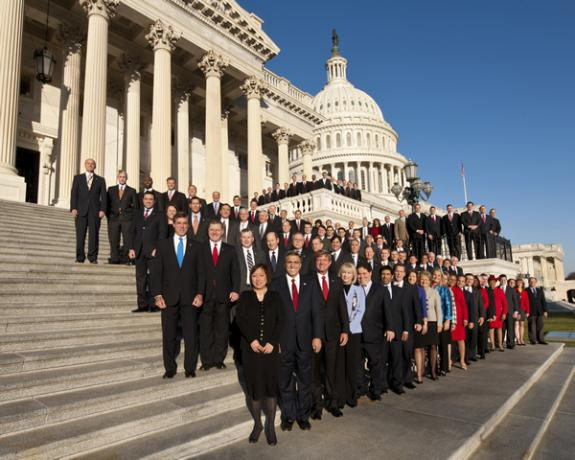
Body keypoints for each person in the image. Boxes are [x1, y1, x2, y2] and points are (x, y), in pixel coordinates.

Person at [271, 251, 323, 431]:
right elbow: (273, 316)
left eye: (296, 262)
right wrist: (273, 339)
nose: (292, 265)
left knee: (304, 380)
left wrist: (317, 336)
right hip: (283, 341)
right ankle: (288, 416)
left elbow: (316, 313)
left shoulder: (311, 284)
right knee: (284, 381)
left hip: (305, 340)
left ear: (301, 265)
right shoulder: (276, 284)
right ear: (285, 264)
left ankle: (303, 416)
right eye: (289, 262)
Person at [150, 213, 204, 379]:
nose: (182, 226)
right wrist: (157, 295)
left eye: (185, 223)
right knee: (168, 335)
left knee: (191, 336)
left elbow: (201, 273)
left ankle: (189, 368)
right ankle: (170, 368)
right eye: (179, 223)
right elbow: (156, 272)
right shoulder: (163, 245)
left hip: (190, 298)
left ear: (188, 226)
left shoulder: (197, 246)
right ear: (173, 224)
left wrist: (200, 294)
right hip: (168, 298)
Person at [235, 264, 281, 445]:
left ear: (267, 277)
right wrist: (252, 340)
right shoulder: (245, 296)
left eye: (261, 275)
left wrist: (272, 343)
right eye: (254, 276)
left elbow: (280, 321)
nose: (257, 279)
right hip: (250, 350)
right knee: (254, 390)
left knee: (270, 389)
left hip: (270, 350)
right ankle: (257, 425)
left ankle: (270, 425)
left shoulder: (275, 297)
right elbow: (240, 319)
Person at [311, 251, 349, 419]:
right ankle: (317, 406)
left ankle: (332, 403)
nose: (321, 262)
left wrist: (345, 330)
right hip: (315, 334)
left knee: (331, 370)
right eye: (319, 260)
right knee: (315, 372)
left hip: (333, 333)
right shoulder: (308, 279)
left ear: (330, 262)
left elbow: (342, 307)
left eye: (325, 260)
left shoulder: (336, 280)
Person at [200, 221, 240, 370]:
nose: (215, 232)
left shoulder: (230, 249)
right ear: (208, 231)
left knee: (221, 329)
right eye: (212, 229)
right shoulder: (201, 248)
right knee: (205, 329)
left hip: (224, 296)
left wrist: (235, 290)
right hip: (205, 295)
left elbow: (235, 272)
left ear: (222, 231)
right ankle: (206, 360)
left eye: (218, 230)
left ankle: (219, 359)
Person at [357, 263, 395, 400]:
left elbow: (388, 310)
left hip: (374, 333)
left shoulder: (380, 289)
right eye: (359, 274)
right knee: (357, 363)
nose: (361, 276)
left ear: (370, 273)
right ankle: (360, 388)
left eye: (364, 273)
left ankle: (376, 389)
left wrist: (390, 328)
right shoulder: (354, 288)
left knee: (375, 363)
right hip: (356, 334)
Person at [129, 191, 168, 313]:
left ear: (154, 201)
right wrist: (131, 248)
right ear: (143, 200)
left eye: (151, 199)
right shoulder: (137, 213)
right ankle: (142, 304)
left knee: (154, 278)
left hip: (153, 251)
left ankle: (153, 304)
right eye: (146, 199)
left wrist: (158, 248)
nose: (148, 201)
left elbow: (163, 233)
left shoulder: (160, 215)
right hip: (139, 251)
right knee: (140, 279)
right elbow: (132, 232)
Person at [391, 264, 423, 393]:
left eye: (401, 272)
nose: (398, 274)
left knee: (407, 353)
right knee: (396, 355)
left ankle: (407, 379)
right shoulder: (389, 287)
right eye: (396, 271)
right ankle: (397, 382)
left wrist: (419, 321)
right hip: (394, 326)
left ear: (405, 274)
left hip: (408, 326)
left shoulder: (411, 288)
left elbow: (417, 306)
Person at [338, 263, 365, 406]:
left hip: (354, 332)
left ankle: (351, 395)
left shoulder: (358, 290)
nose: (346, 275)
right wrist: (343, 328)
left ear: (353, 275)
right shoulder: (336, 289)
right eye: (343, 273)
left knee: (352, 365)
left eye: (349, 273)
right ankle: (341, 396)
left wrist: (349, 327)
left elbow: (360, 310)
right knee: (340, 365)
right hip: (340, 333)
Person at [70, 158, 107, 264]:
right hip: (81, 211)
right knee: (80, 235)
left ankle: (93, 257)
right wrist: (73, 208)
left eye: (92, 164)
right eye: (88, 163)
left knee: (94, 235)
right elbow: (74, 194)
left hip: (95, 212)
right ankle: (80, 257)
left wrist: (103, 210)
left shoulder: (100, 180)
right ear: (85, 165)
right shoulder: (78, 178)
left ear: (95, 166)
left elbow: (103, 196)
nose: (90, 165)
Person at [414, 271, 442, 382]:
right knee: (421, 347)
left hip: (432, 322)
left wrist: (439, 323)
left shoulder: (434, 292)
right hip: (420, 323)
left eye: (426, 279)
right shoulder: (416, 291)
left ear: (430, 281)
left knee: (433, 347)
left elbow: (438, 309)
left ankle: (433, 370)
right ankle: (420, 371)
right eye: (422, 279)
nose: (424, 281)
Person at [106, 170, 138, 264]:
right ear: (118, 178)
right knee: (113, 239)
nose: (122, 178)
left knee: (127, 240)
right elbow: (107, 204)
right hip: (113, 219)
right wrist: (109, 216)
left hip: (127, 219)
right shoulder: (111, 189)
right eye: (120, 176)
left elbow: (136, 207)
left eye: (124, 177)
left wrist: (133, 218)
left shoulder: (132, 190)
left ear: (126, 178)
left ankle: (126, 259)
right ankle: (114, 258)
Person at [431, 269, 454, 375]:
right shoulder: (428, 287)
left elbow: (448, 305)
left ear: (441, 277)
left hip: (444, 319)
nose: (436, 277)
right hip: (432, 320)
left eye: (438, 276)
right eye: (434, 275)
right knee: (433, 345)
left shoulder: (444, 289)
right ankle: (433, 368)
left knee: (443, 345)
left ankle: (444, 367)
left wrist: (448, 320)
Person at [236, 229, 266, 294]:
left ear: (252, 239)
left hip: (258, 288)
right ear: (240, 239)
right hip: (240, 290)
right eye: (244, 237)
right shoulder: (234, 253)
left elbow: (265, 272)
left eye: (248, 237)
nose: (246, 240)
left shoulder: (261, 254)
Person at [449, 274, 469, 369]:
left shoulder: (458, 291)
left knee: (460, 340)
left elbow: (463, 305)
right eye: (452, 279)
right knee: (450, 341)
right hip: (449, 319)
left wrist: (465, 318)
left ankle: (462, 360)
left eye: (454, 279)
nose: (454, 281)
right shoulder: (445, 289)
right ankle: (449, 360)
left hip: (459, 319)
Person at [463, 273, 484, 363]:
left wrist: (482, 316)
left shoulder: (477, 291)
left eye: (471, 279)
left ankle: (472, 354)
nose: (469, 281)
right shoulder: (462, 290)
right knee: (465, 338)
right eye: (467, 279)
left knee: (474, 337)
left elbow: (481, 305)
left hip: (475, 318)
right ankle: (466, 356)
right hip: (464, 318)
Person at [487, 275, 508, 352]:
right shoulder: (487, 291)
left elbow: (505, 303)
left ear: (496, 283)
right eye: (490, 282)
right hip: (490, 314)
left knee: (499, 329)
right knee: (491, 329)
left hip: (499, 313)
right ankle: (492, 345)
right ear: (489, 283)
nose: (492, 283)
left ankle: (500, 345)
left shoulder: (500, 291)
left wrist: (504, 313)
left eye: (493, 282)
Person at [499, 274, 519, 349]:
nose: (503, 281)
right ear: (499, 281)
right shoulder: (497, 289)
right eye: (501, 280)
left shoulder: (511, 289)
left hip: (510, 312)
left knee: (510, 328)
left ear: (506, 281)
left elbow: (515, 301)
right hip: (500, 313)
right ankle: (499, 343)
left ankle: (510, 343)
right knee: (502, 328)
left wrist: (516, 311)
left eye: (504, 280)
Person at [526, 276, 548, 345]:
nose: (532, 283)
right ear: (529, 282)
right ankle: (533, 340)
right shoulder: (526, 291)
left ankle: (541, 340)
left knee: (540, 326)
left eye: (534, 281)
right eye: (531, 281)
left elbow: (543, 301)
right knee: (531, 326)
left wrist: (545, 311)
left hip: (540, 311)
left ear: (536, 282)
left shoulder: (540, 290)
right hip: (531, 311)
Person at [515, 278, 529, 346]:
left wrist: (527, 311)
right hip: (516, 310)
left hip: (523, 310)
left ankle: (521, 339)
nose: (520, 283)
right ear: (516, 283)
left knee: (522, 325)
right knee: (517, 324)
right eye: (518, 282)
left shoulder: (525, 292)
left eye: (521, 282)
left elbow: (527, 302)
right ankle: (518, 340)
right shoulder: (514, 291)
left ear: (523, 283)